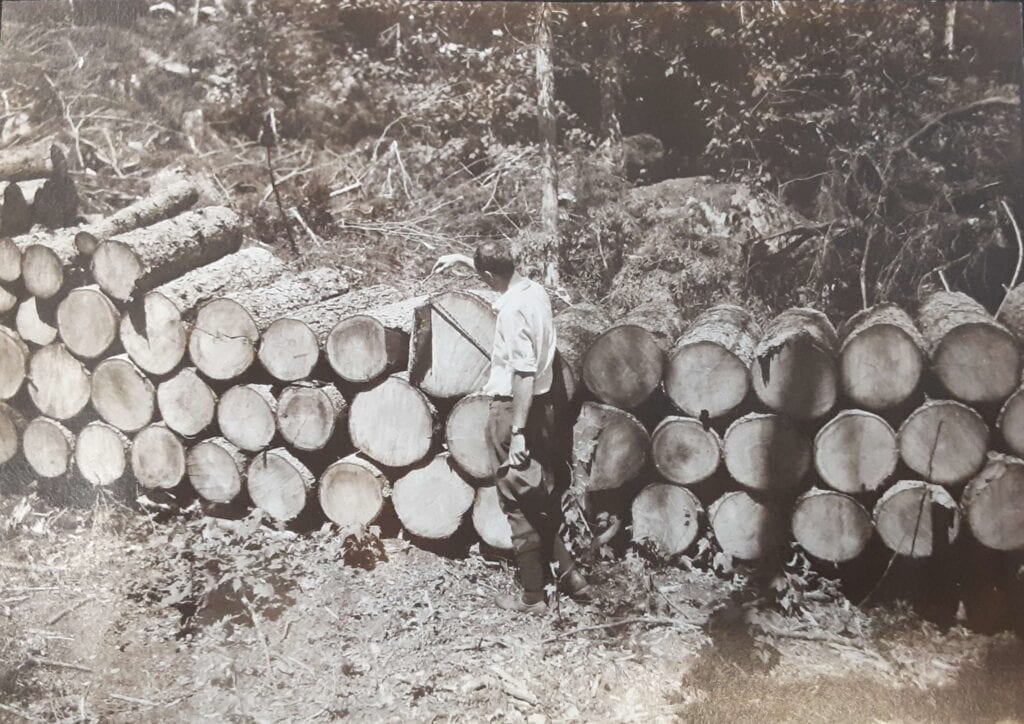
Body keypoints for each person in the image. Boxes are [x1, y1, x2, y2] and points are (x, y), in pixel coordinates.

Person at [433, 241, 590, 613]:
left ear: (489, 275)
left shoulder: (513, 311)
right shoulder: (534, 291)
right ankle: (571, 578)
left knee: (517, 500)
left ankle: (533, 595)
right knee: (536, 493)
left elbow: (523, 372)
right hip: (545, 405)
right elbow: (499, 277)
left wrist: (517, 430)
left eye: (483, 274)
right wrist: (461, 259)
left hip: (516, 410)